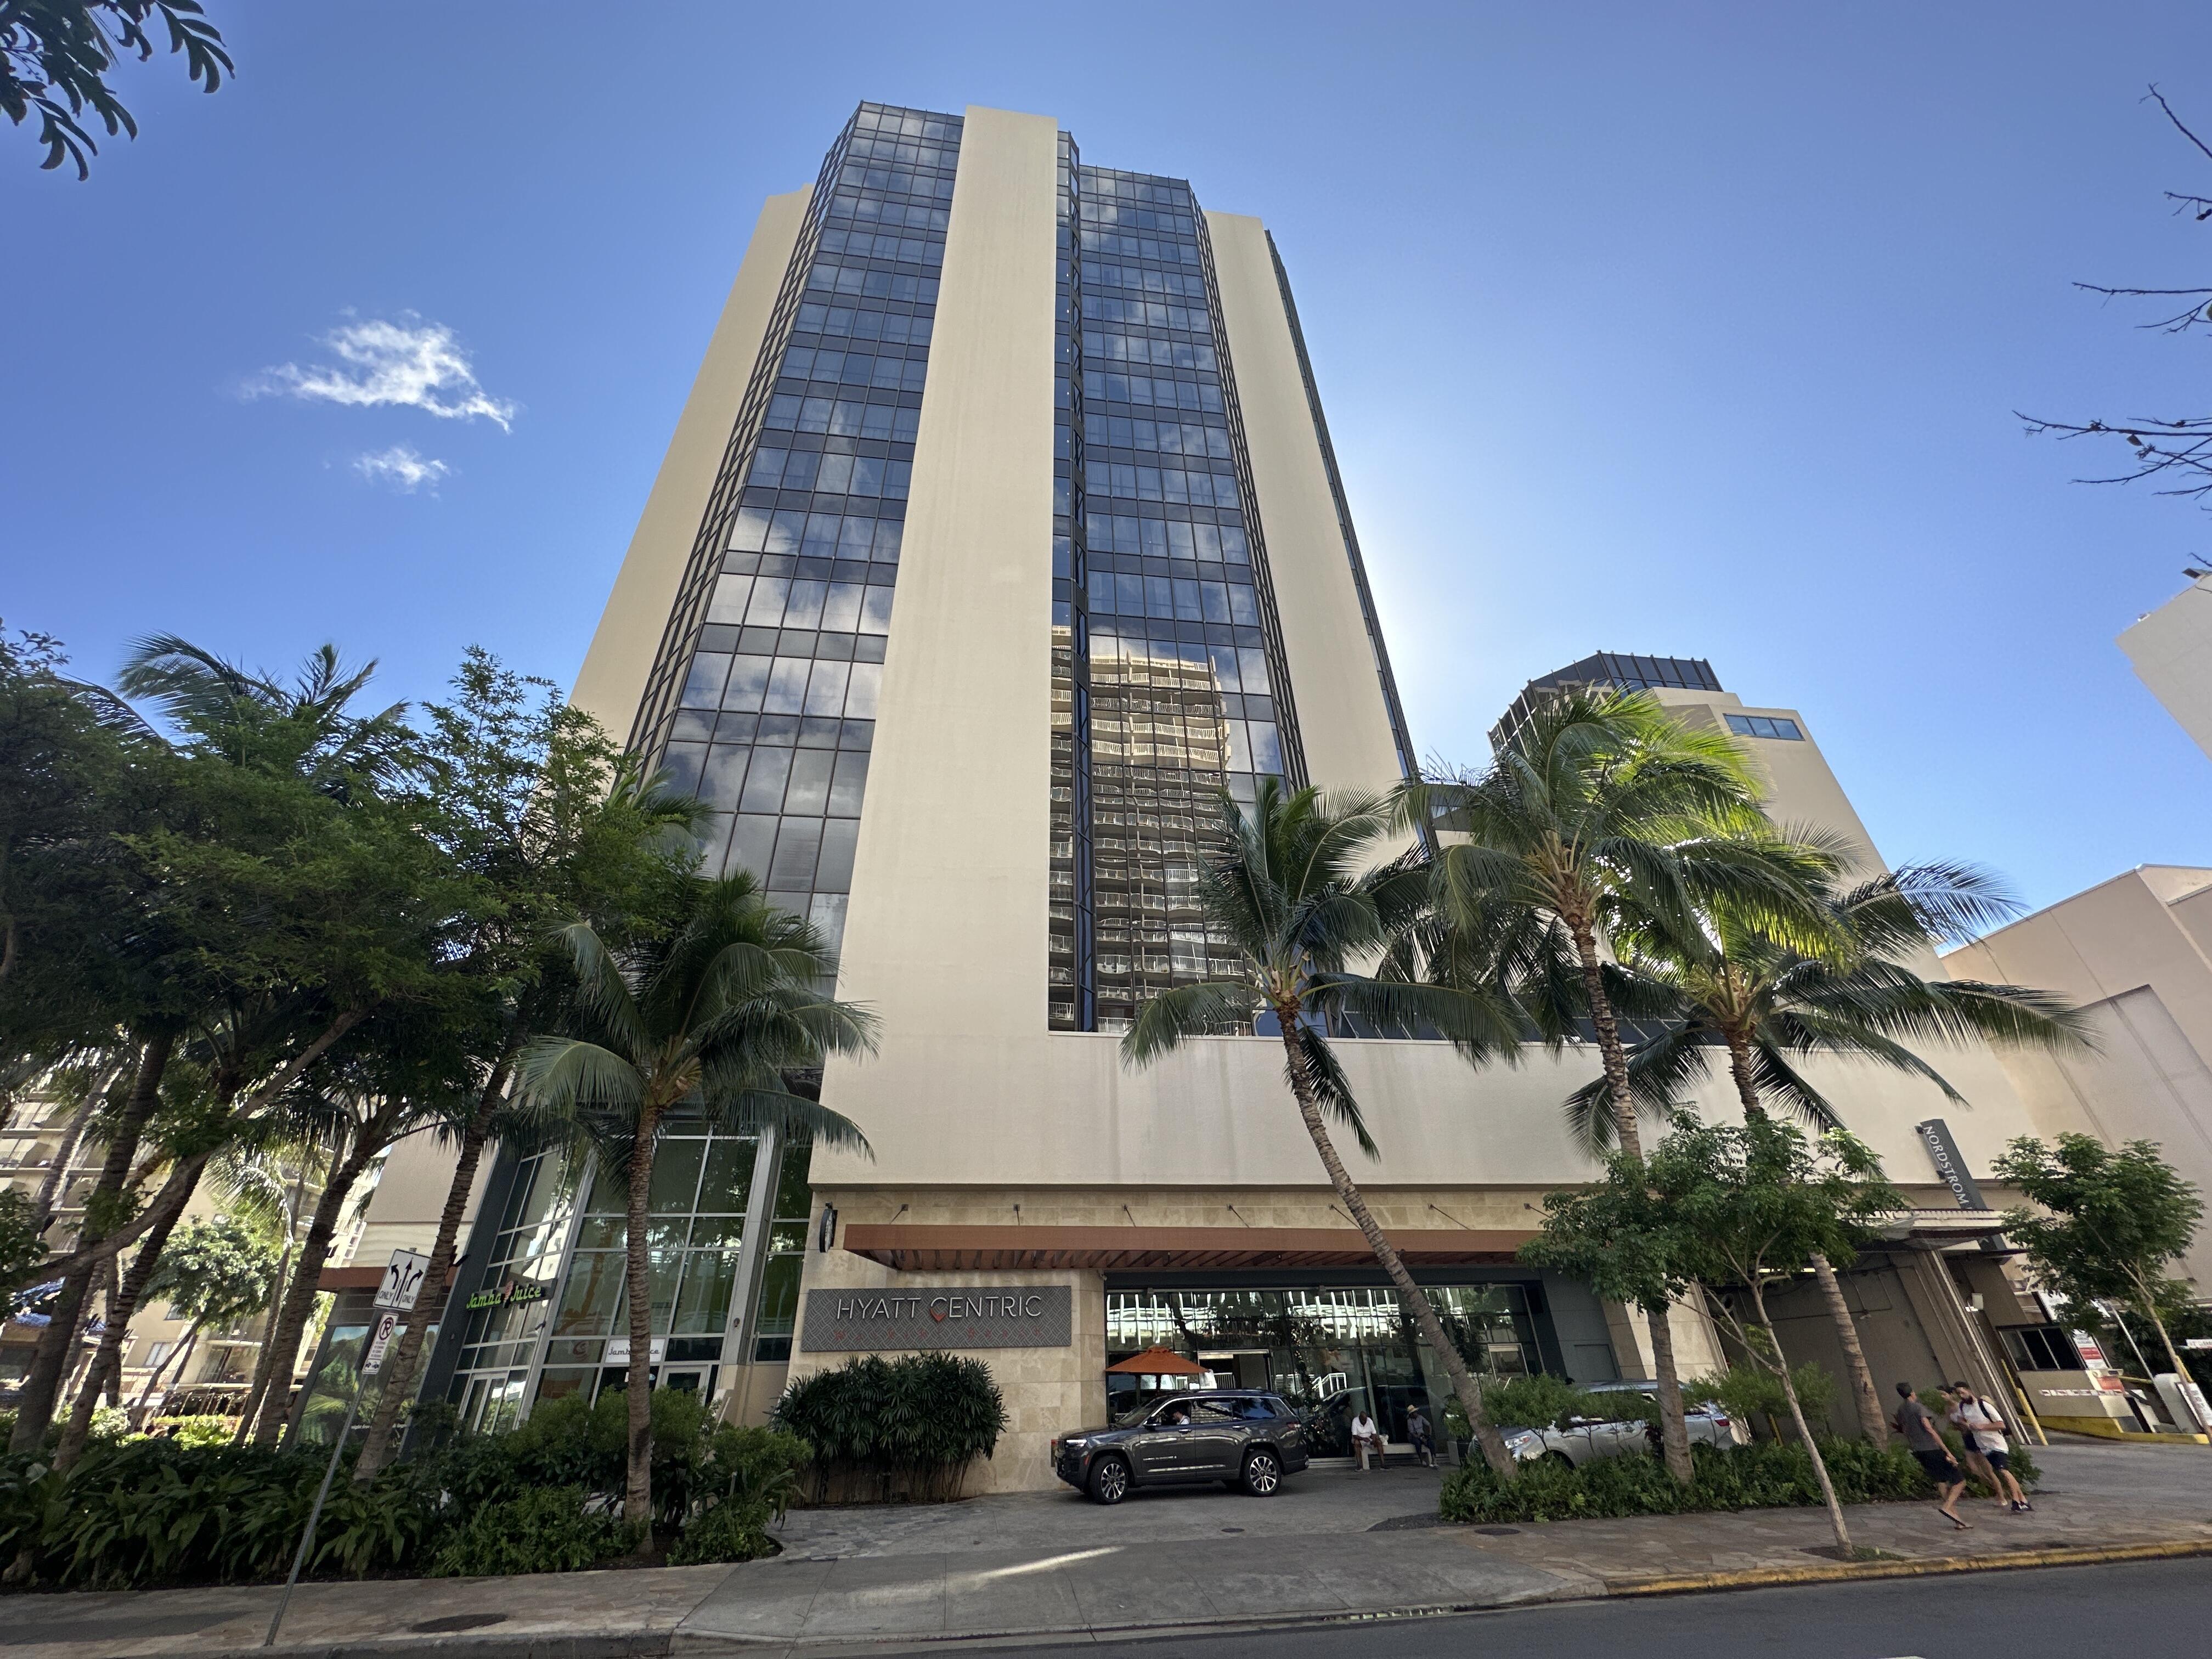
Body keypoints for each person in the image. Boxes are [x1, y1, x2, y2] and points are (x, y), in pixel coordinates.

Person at [1894, 1381, 1971, 1529]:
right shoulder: (1919, 1408)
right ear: (1912, 1393)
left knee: (1941, 1481)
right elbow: (1929, 1429)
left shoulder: (1901, 1410)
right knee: (1960, 1481)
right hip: (1932, 1449)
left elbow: (1905, 1430)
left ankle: (1957, 1520)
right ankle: (1947, 1507)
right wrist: (1947, 1452)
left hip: (1919, 1451)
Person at [1947, 1382, 2032, 1513]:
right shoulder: (1963, 1407)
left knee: (2003, 1471)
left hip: (1996, 1444)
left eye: (1963, 1392)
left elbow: (2001, 1425)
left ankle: (2016, 1500)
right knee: (2003, 1471)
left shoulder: (1983, 1405)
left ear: (1969, 1390)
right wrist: (1966, 1425)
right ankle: (2023, 1500)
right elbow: (1960, 1418)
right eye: (1959, 1394)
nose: (1961, 1396)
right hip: (1983, 1445)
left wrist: (1982, 1427)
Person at [1349, 1407, 1383, 1471]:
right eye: (1363, 1420)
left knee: (1379, 1442)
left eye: (1365, 1420)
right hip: (1360, 1439)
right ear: (1360, 1418)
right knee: (1356, 1443)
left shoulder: (1369, 1420)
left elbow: (1374, 1433)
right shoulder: (1355, 1421)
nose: (1365, 1422)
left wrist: (1373, 1440)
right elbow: (1355, 1435)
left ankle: (1383, 1465)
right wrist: (1363, 1439)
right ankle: (1359, 1466)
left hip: (1369, 1438)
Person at [1406, 1404, 1436, 1469]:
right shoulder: (1410, 1421)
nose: (1416, 1413)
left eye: (1416, 1412)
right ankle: (1422, 1460)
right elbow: (1412, 1432)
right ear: (1411, 1414)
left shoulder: (1420, 1417)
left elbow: (1429, 1425)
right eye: (1414, 1413)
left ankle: (1434, 1460)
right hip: (1415, 1436)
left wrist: (1429, 1435)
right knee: (1418, 1443)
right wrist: (1420, 1438)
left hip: (1422, 1434)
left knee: (1431, 1443)